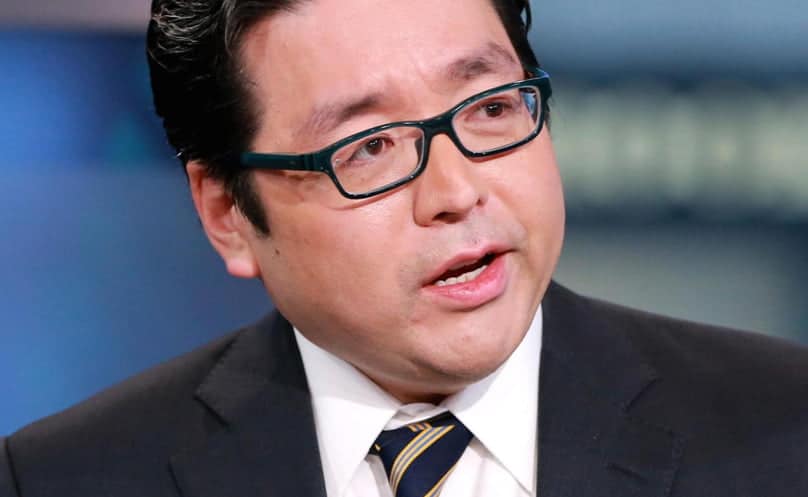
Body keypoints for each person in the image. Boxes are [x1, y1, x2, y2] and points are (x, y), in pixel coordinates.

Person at [2, 0, 807, 495]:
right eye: (370, 148)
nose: (456, 191)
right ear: (227, 214)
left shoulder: (786, 429)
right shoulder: (65, 478)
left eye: (491, 107)